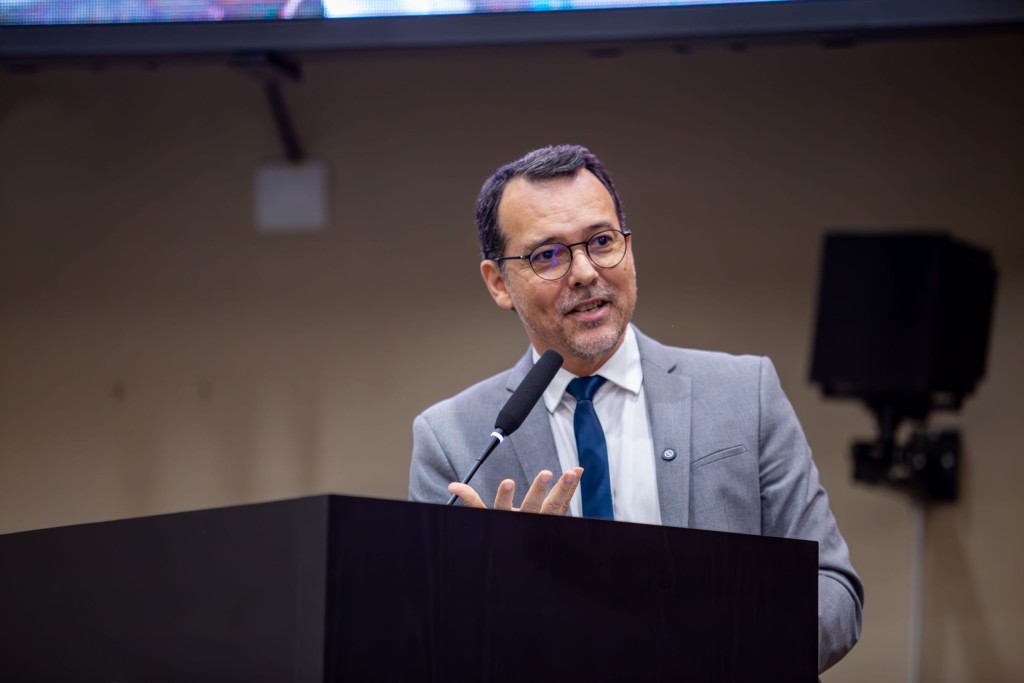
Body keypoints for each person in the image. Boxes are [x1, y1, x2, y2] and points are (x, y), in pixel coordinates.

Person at [408, 144, 863, 673]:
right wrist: (508, 596)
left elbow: (833, 589)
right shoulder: (454, 441)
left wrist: (718, 651)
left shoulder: (745, 392)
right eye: (548, 255)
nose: (584, 272)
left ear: (628, 248)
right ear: (498, 283)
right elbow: (432, 645)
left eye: (602, 241)